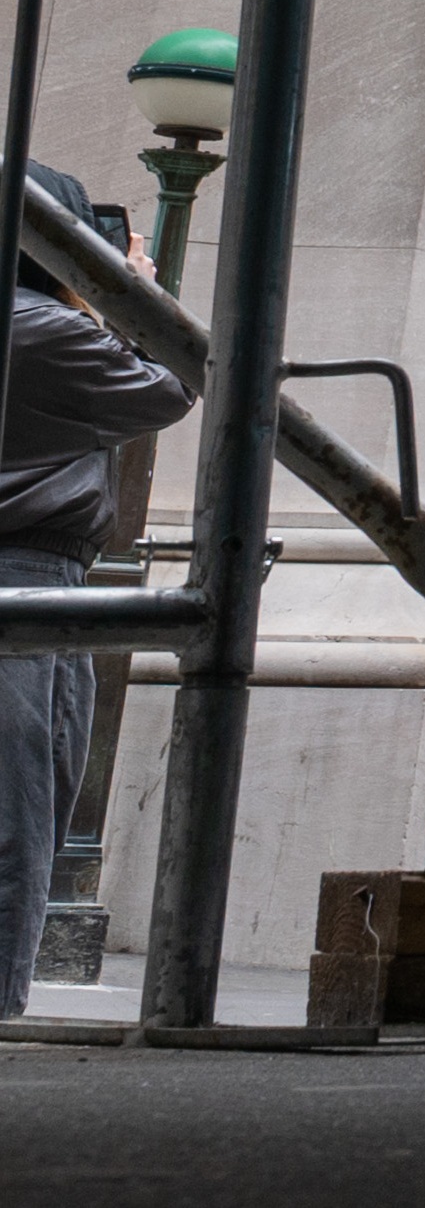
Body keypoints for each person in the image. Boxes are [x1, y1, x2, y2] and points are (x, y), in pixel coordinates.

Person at [3, 170, 194, 1018]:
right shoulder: (44, 330)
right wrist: (135, 292)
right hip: (28, 585)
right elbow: (176, 380)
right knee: (15, 823)